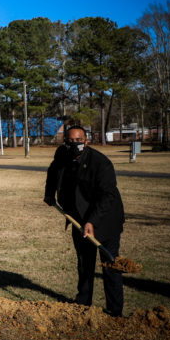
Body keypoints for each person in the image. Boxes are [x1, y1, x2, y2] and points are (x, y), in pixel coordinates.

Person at [44, 125, 125, 316]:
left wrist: (92, 222)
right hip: (79, 219)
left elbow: (108, 196)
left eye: (78, 141)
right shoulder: (62, 154)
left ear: (86, 141)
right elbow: (53, 171)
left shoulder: (100, 163)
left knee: (110, 265)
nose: (74, 145)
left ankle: (115, 312)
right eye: (70, 141)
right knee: (84, 263)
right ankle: (83, 305)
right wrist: (49, 194)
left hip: (105, 218)